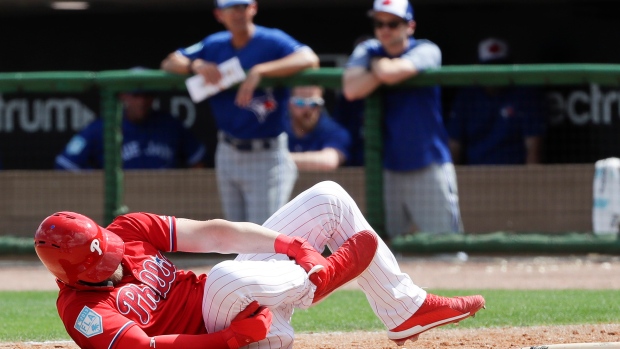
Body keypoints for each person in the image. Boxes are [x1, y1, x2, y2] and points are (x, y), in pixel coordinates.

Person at [34, 180, 485, 349]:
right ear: (75, 275)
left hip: (254, 294)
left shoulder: (127, 229)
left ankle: (401, 307)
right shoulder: (83, 314)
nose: (116, 257)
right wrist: (227, 339)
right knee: (228, 276)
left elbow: (214, 233)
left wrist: (294, 246)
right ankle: (313, 281)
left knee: (328, 197)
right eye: (104, 262)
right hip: (235, 338)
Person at [160, 0, 319, 224]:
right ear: (219, 14)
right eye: (231, 8)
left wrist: (261, 70)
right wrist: (194, 66)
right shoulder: (215, 44)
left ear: (253, 8)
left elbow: (310, 58)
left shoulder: (271, 40)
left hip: (266, 153)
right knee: (236, 236)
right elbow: (169, 62)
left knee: (264, 236)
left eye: (242, 6)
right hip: (228, 150)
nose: (238, 13)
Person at [342, 0, 464, 240]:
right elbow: (351, 89)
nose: (385, 30)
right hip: (387, 167)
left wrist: (377, 65)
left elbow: (390, 73)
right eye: (379, 23)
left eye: (393, 23)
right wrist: (382, 69)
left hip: (428, 163)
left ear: (410, 26)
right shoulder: (368, 49)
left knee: (446, 246)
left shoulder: (427, 49)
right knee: (385, 251)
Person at [446, 37, 547, 165]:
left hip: (515, 177)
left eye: (500, 66)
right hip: (475, 176)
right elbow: (454, 146)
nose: (495, 73)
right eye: (489, 67)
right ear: (478, 68)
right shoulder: (467, 97)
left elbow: (533, 150)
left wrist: (530, 183)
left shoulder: (525, 95)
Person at [55, 90, 207, 170]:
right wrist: (98, 183)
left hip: (164, 200)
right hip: (122, 203)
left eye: (147, 95)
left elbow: (197, 161)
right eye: (136, 95)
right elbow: (65, 163)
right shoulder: (102, 127)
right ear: (123, 96)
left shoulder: (170, 124)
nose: (142, 101)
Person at [286, 85, 352, 171]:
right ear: (289, 104)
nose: (307, 109)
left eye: (314, 103)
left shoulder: (335, 131)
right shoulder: (278, 129)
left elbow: (329, 161)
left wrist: (281, 159)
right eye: (300, 102)